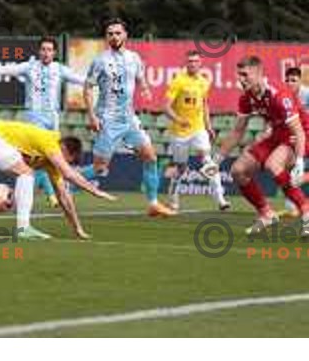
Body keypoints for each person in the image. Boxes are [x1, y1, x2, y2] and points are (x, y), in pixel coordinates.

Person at [0, 36, 95, 206]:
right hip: (34, 116)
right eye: (43, 49)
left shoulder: (59, 69)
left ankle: (40, 193)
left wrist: (99, 82)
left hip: (53, 118)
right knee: (42, 157)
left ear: (54, 52)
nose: (46, 53)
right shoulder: (29, 67)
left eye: (49, 50)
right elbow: (5, 70)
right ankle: (51, 195)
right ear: (39, 51)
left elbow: (80, 79)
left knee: (47, 160)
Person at [83, 18, 174, 217]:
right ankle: (65, 181)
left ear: (125, 35)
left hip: (129, 119)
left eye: (118, 33)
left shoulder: (134, 58)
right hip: (108, 120)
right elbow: (88, 88)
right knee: (99, 169)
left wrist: (146, 89)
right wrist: (91, 116)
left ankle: (153, 203)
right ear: (106, 37)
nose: (114, 37)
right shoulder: (100, 60)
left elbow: (140, 77)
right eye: (110, 33)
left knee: (151, 157)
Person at [217, 56, 309, 235]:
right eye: (239, 75)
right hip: (277, 134)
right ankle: (267, 214)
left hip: (301, 134)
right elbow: (237, 132)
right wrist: (216, 160)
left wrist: (298, 162)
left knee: (273, 165)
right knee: (238, 170)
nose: (241, 79)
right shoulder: (247, 98)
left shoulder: (278, 94)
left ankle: (306, 209)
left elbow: (298, 131)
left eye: (245, 75)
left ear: (259, 73)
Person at [164, 50, 230, 212]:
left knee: (207, 160)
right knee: (181, 168)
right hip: (179, 132)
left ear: (200, 64)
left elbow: (205, 104)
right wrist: (179, 120)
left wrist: (208, 126)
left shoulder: (204, 82)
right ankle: (173, 197)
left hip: (198, 129)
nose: (193, 64)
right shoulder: (178, 81)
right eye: (190, 61)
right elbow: (165, 107)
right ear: (186, 63)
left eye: (195, 61)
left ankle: (220, 199)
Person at [279, 67, 309, 218]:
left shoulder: (307, 94)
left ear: (300, 80)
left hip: (305, 134)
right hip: (297, 136)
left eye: (294, 80)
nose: (290, 83)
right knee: (284, 167)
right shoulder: (285, 96)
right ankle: (293, 207)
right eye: (288, 80)